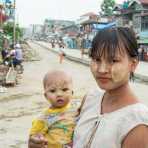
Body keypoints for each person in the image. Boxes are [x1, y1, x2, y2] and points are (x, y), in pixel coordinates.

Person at [28, 27, 148, 148]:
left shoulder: (137, 123)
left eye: (113, 60)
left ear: (133, 64)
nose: (101, 69)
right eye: (96, 59)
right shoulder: (91, 99)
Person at [29, 70, 78, 148]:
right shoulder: (43, 118)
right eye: (52, 91)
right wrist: (37, 139)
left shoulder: (77, 109)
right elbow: (34, 139)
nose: (59, 94)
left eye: (64, 90)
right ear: (46, 96)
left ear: (72, 92)